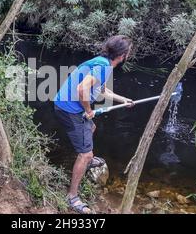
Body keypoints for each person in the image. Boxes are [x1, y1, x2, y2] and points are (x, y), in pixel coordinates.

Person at [53, 35, 135, 214]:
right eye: (128, 52)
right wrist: (88, 110)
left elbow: (102, 90)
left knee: (91, 127)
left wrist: (124, 99)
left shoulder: (102, 63)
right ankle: (72, 196)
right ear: (123, 55)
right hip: (68, 109)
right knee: (85, 153)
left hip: (66, 105)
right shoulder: (103, 67)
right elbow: (81, 89)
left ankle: (88, 161)